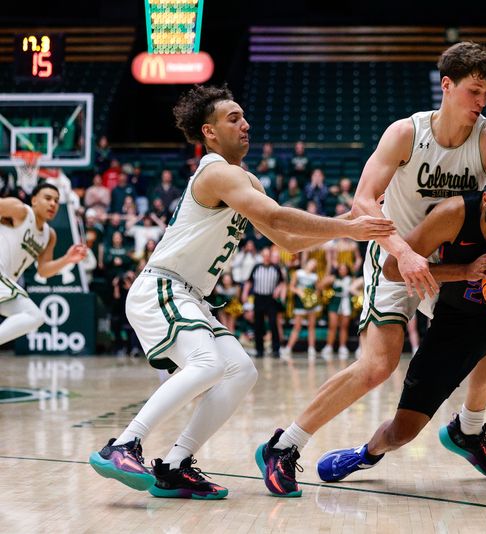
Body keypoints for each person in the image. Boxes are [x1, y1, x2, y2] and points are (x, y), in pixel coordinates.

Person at [255, 42, 486, 498]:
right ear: (447, 85)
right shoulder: (405, 134)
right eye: (475, 91)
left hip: (458, 260)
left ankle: (469, 429)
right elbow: (362, 201)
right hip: (399, 254)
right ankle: (286, 443)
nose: (482, 102)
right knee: (379, 365)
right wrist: (404, 252)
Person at [88, 85, 394, 500]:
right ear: (209, 132)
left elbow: (286, 238)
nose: (245, 123)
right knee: (207, 362)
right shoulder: (215, 170)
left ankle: (176, 465)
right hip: (162, 284)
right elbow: (273, 213)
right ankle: (123, 445)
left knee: (240, 370)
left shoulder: (244, 179)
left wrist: (351, 220)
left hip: (189, 294)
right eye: (233, 118)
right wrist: (346, 227)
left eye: (244, 115)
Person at [315, 163, 486, 507]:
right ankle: (367, 452)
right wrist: (465, 270)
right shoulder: (455, 213)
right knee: (402, 431)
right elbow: (393, 268)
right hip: (456, 321)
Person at [0, 182, 87, 346]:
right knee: (34, 316)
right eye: (47, 198)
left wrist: (67, 259)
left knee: (32, 317)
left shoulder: (49, 235)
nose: (53, 204)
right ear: (33, 200)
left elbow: (43, 271)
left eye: (56, 200)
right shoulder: (20, 210)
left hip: (5, 282)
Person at [241, 247, 285, 358]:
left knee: (273, 323)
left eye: (268, 255)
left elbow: (282, 283)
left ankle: (276, 349)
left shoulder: (276, 268)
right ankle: (259, 350)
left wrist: (278, 290)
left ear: (270, 256)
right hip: (259, 298)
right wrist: (245, 293)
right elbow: (249, 282)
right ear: (262, 256)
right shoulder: (256, 267)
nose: (266, 257)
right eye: (264, 255)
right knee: (258, 324)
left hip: (271, 299)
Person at [282, 258, 322, 360]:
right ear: (307, 263)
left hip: (311, 304)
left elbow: (318, 290)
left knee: (311, 326)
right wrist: (299, 292)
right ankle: (288, 348)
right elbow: (291, 286)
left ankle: (311, 348)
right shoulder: (298, 273)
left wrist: (313, 298)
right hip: (300, 302)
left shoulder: (315, 276)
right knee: (297, 326)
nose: (312, 265)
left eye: (314, 264)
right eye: (311, 262)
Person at [320, 263, 354, 360]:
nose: (342, 271)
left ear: (347, 270)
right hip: (335, 302)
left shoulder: (351, 279)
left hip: (346, 302)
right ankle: (329, 346)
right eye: (340, 269)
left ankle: (342, 347)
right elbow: (321, 285)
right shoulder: (334, 278)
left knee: (344, 326)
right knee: (332, 326)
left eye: (344, 269)